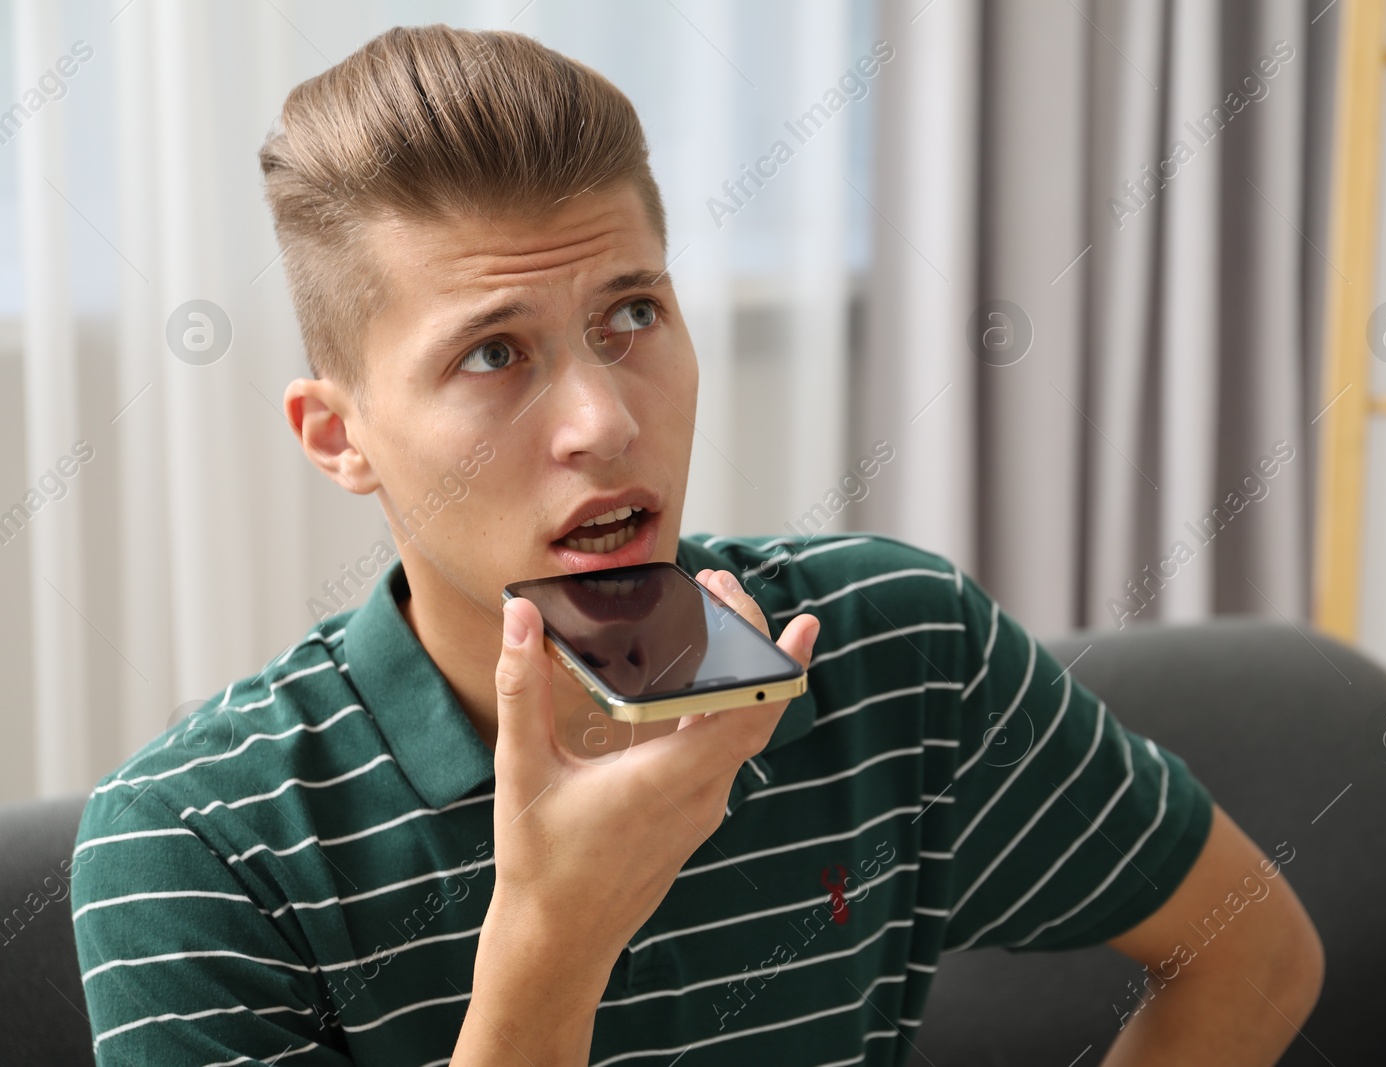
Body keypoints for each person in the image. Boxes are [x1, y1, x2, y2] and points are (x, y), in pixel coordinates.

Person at [70, 24, 1323, 1067]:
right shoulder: (192, 848)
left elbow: (1250, 948)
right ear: (339, 437)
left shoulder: (897, 642)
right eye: (493, 352)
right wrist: (550, 944)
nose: (607, 421)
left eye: (632, 313)